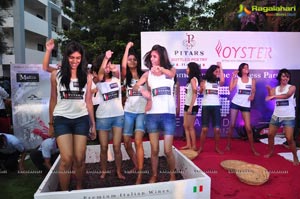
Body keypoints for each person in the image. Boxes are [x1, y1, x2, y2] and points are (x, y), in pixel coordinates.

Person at [44, 40, 96, 190]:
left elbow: (89, 102)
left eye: (78, 58)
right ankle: (65, 192)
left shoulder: (86, 76)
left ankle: (79, 189)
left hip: (81, 119)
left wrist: (93, 125)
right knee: (66, 159)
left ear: (82, 59)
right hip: (62, 120)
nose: (75, 61)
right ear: (66, 57)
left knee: (80, 158)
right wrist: (51, 123)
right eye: (72, 57)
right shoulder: (56, 75)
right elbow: (53, 99)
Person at [133, 44, 177, 183]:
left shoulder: (170, 70)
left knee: (168, 150)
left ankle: (172, 174)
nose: (152, 59)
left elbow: (171, 74)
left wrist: (161, 69)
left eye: (154, 56)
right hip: (152, 115)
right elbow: (135, 86)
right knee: (154, 149)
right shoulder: (147, 74)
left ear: (161, 57)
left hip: (168, 115)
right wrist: (143, 91)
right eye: (151, 56)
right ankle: (155, 175)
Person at [96, 50, 125, 180]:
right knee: (103, 147)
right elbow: (100, 75)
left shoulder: (116, 78)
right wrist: (106, 58)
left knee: (117, 146)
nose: (108, 67)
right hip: (102, 118)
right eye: (105, 65)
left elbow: (119, 72)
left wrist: (113, 68)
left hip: (118, 116)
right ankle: (103, 171)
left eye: (109, 65)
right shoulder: (98, 80)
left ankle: (118, 171)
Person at [121, 42, 147, 184]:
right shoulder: (125, 76)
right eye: (129, 59)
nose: (132, 61)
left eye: (134, 59)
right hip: (128, 112)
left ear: (138, 62)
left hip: (141, 113)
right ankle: (136, 165)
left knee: (138, 142)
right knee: (126, 142)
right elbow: (123, 66)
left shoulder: (145, 76)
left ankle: (140, 175)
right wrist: (127, 48)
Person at [264, 68, 299, 165]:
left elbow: (287, 95)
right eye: (284, 76)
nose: (285, 78)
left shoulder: (292, 87)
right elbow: (269, 98)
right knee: (270, 135)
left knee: (289, 138)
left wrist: (274, 96)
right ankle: (271, 152)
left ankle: (295, 157)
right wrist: (269, 91)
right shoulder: (275, 89)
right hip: (276, 115)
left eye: (287, 76)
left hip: (288, 116)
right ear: (280, 77)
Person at [226, 63, 259, 156]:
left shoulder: (252, 80)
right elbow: (230, 89)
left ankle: (253, 149)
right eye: (244, 67)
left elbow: (253, 89)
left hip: (246, 105)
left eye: (247, 67)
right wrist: (232, 77)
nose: (246, 69)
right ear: (241, 70)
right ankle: (228, 145)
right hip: (235, 103)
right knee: (232, 125)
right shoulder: (237, 79)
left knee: (248, 128)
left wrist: (252, 96)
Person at [198, 62, 224, 154]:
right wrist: (201, 88)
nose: (217, 73)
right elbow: (200, 92)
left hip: (216, 106)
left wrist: (220, 68)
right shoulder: (204, 81)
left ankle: (217, 147)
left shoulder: (217, 81)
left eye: (218, 72)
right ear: (211, 72)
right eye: (216, 72)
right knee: (204, 129)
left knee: (217, 130)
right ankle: (201, 147)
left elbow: (222, 80)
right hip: (206, 106)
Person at [181, 62, 201, 151]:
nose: (186, 70)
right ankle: (188, 144)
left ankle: (194, 146)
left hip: (192, 106)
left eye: (188, 68)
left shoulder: (193, 79)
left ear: (192, 69)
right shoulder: (190, 80)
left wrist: (191, 107)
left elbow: (195, 93)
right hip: (187, 104)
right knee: (185, 125)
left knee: (190, 126)